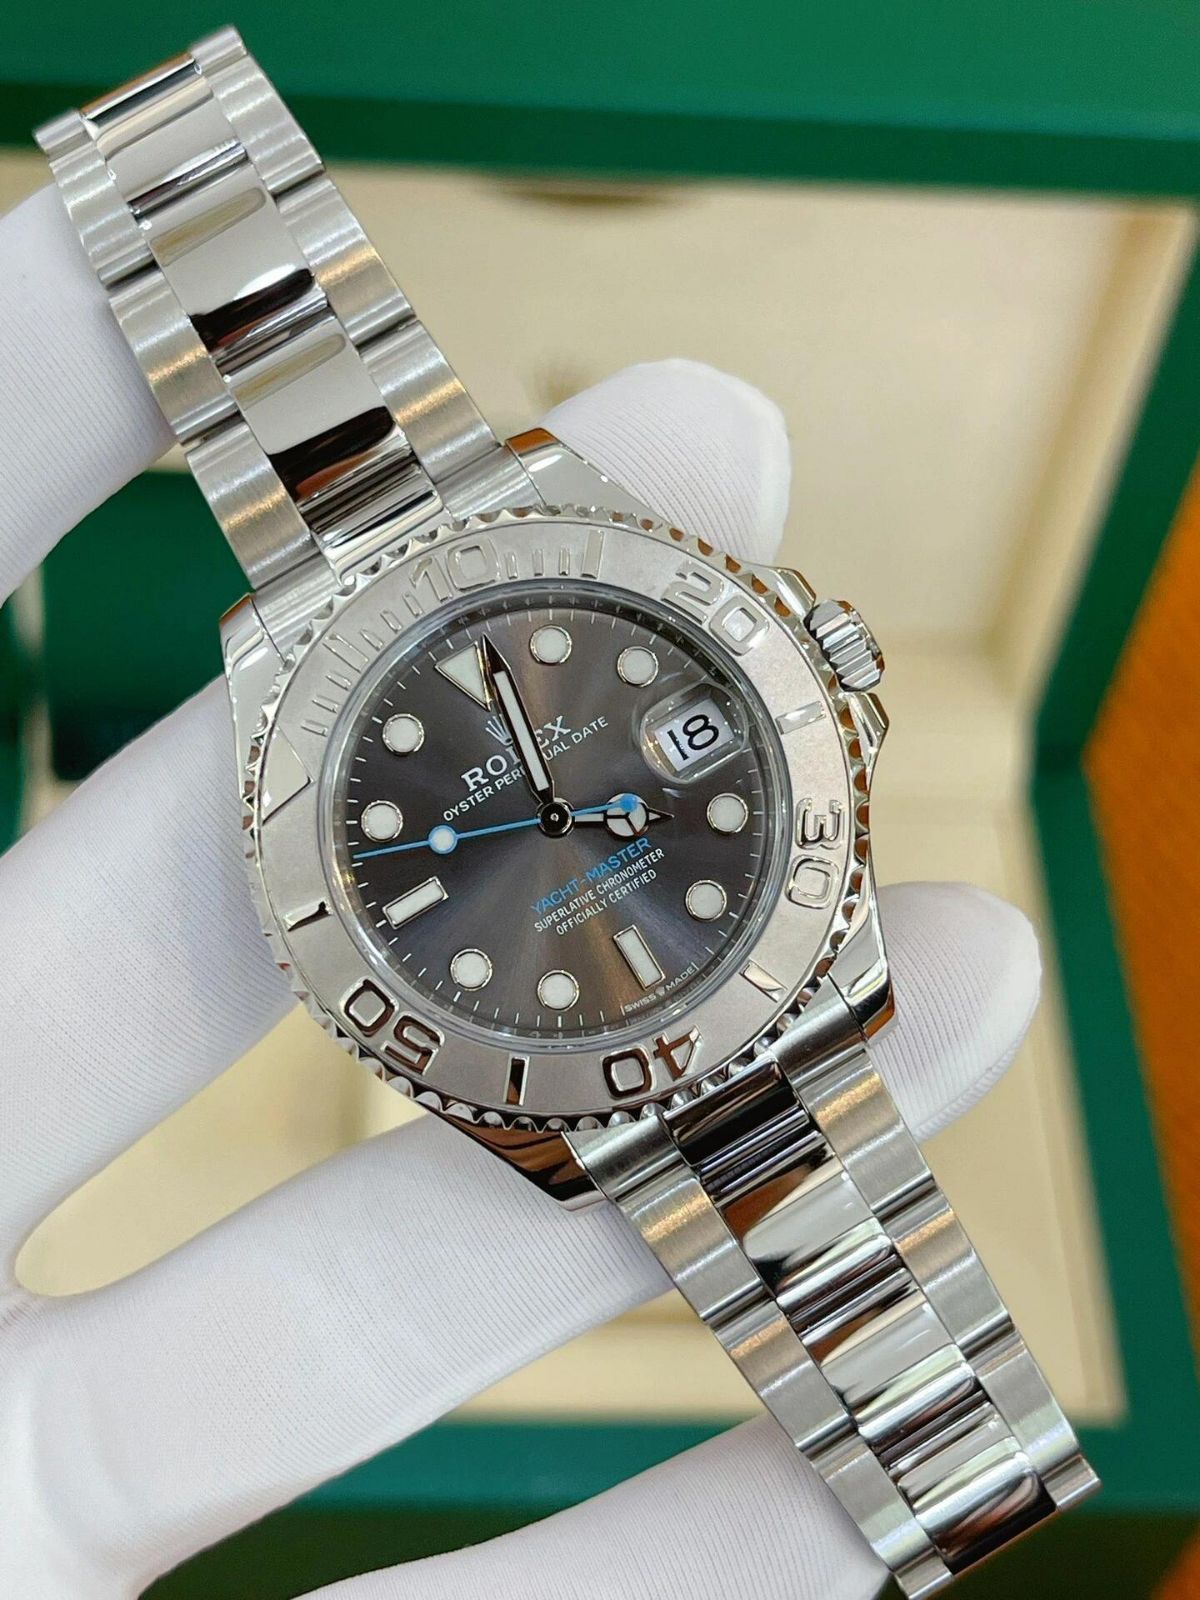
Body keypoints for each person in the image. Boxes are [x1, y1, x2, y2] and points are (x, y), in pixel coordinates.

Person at [0, 182, 1039, 1599]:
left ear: (823, 670)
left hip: (663, 981)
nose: (553, 824)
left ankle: (181, 183)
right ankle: (176, 181)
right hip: (593, 1002)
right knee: (171, 199)